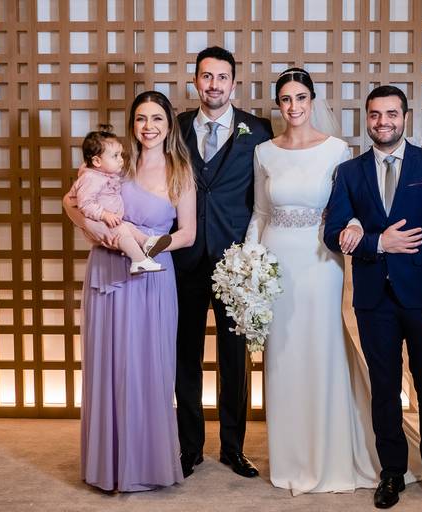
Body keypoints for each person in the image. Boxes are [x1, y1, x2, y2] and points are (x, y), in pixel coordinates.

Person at [245, 68, 388, 495]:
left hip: (321, 263)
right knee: (283, 358)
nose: (294, 107)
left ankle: (331, 455)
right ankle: (291, 458)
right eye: (286, 99)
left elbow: (355, 206)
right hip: (276, 266)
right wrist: (249, 263)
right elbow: (260, 212)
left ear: (312, 100)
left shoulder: (337, 150)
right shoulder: (264, 152)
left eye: (301, 98)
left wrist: (355, 227)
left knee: (323, 354)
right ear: (279, 105)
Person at [324, 85, 422, 508]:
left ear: (405, 117)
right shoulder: (350, 172)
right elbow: (332, 234)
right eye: (375, 115)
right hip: (373, 300)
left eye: (391, 114)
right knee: (384, 390)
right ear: (367, 119)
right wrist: (377, 242)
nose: (382, 122)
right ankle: (392, 473)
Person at [63, 91, 196, 491]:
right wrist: (96, 230)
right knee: (108, 367)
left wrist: (151, 246)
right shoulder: (113, 163)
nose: (148, 126)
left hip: (153, 277)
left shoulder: (180, 171)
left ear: (169, 125)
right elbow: (70, 202)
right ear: (132, 124)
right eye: (141, 118)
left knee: (149, 370)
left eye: (157, 118)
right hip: (107, 274)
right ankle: (107, 467)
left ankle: (146, 466)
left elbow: (187, 235)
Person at [173, 46, 273, 479]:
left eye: (222, 77)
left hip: (235, 262)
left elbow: (267, 194)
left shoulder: (260, 129)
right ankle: (189, 447)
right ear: (195, 80)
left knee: (235, 360)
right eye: (206, 76)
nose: (213, 85)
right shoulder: (175, 127)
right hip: (185, 260)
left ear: (234, 83)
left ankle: (233, 448)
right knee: (185, 356)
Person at [70, 124, 171, 274]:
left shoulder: (106, 174)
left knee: (129, 227)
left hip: (112, 221)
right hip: (100, 222)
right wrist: (104, 214)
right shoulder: (90, 178)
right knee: (123, 232)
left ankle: (146, 242)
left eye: (120, 155)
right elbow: (85, 203)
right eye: (115, 156)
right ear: (97, 161)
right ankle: (139, 260)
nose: (121, 160)